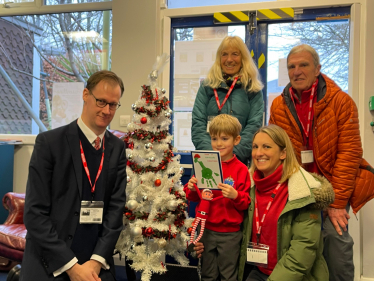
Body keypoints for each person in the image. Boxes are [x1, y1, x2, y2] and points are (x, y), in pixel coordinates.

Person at [269, 44, 374, 281]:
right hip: (298, 185)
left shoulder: (341, 102)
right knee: (294, 241)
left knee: (335, 238)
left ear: (318, 69)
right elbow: (277, 149)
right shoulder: (278, 105)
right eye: (291, 67)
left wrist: (336, 203)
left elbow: (350, 153)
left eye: (303, 65)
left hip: (333, 184)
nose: (296, 71)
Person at [20, 70, 127, 281]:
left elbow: (116, 210)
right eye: (101, 102)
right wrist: (72, 267)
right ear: (85, 94)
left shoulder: (117, 148)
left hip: (95, 266)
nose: (107, 110)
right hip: (51, 263)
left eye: (113, 104)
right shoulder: (49, 144)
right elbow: (34, 214)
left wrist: (95, 263)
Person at [237, 124, 334, 281]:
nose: (258, 153)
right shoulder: (247, 188)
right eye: (255, 147)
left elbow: (302, 252)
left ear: (283, 153)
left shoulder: (303, 192)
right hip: (257, 270)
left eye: (266, 147)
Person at [184, 114, 251, 281]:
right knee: (208, 274)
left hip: (230, 234)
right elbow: (194, 197)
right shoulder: (205, 163)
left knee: (228, 275)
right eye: (214, 138)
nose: (219, 143)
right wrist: (191, 187)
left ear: (236, 140)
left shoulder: (241, 169)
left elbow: (246, 203)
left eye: (224, 138)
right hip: (207, 230)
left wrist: (235, 196)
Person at [191, 35, 264, 165]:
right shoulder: (207, 86)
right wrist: (211, 156)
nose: (229, 60)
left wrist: (232, 156)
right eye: (224, 54)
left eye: (235, 54)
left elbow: (254, 126)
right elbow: (198, 123)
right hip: (208, 162)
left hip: (239, 162)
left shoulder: (253, 88)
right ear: (219, 58)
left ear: (243, 58)